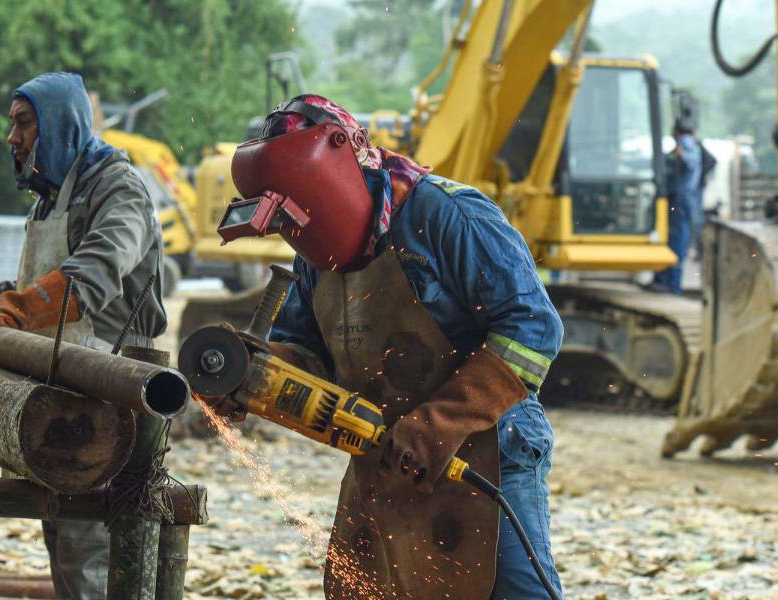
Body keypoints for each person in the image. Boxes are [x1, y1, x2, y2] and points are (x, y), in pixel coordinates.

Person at [202, 95, 564, 599]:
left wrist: (441, 422)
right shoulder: (313, 250)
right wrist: (253, 375)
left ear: (338, 165)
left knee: (510, 593)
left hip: (488, 450)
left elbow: (534, 329)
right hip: (386, 453)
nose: (298, 237)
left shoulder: (448, 215)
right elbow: (312, 359)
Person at [0, 72, 167, 599]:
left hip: (114, 402)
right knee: (68, 551)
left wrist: (14, 307)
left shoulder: (118, 189)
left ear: (59, 125)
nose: (12, 137)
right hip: (65, 400)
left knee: (99, 558)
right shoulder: (49, 199)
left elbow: (91, 276)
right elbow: (35, 290)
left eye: (24, 123)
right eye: (12, 124)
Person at [651, 119, 703, 294]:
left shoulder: (685, 142)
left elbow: (688, 162)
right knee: (673, 238)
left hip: (679, 198)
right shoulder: (691, 143)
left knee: (676, 239)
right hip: (681, 197)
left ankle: (671, 284)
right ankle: (667, 281)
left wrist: (680, 154)